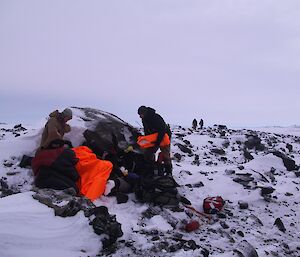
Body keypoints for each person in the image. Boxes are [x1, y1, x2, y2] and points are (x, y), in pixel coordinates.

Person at [137, 106, 172, 174]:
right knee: (149, 152)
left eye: (141, 114)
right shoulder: (144, 119)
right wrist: (148, 141)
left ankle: (169, 172)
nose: (140, 117)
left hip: (165, 136)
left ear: (145, 113)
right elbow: (146, 131)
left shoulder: (156, 117)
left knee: (165, 154)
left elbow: (162, 131)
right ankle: (152, 169)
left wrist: (157, 143)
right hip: (154, 137)